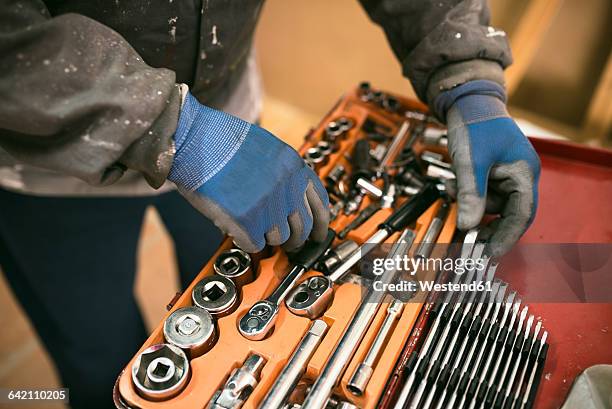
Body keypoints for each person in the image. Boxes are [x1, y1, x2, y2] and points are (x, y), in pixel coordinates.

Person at [0, 1, 540, 407]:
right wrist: (181, 133)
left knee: (224, 301)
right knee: (97, 352)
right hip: (50, 165)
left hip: (231, 134)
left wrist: (467, 75)